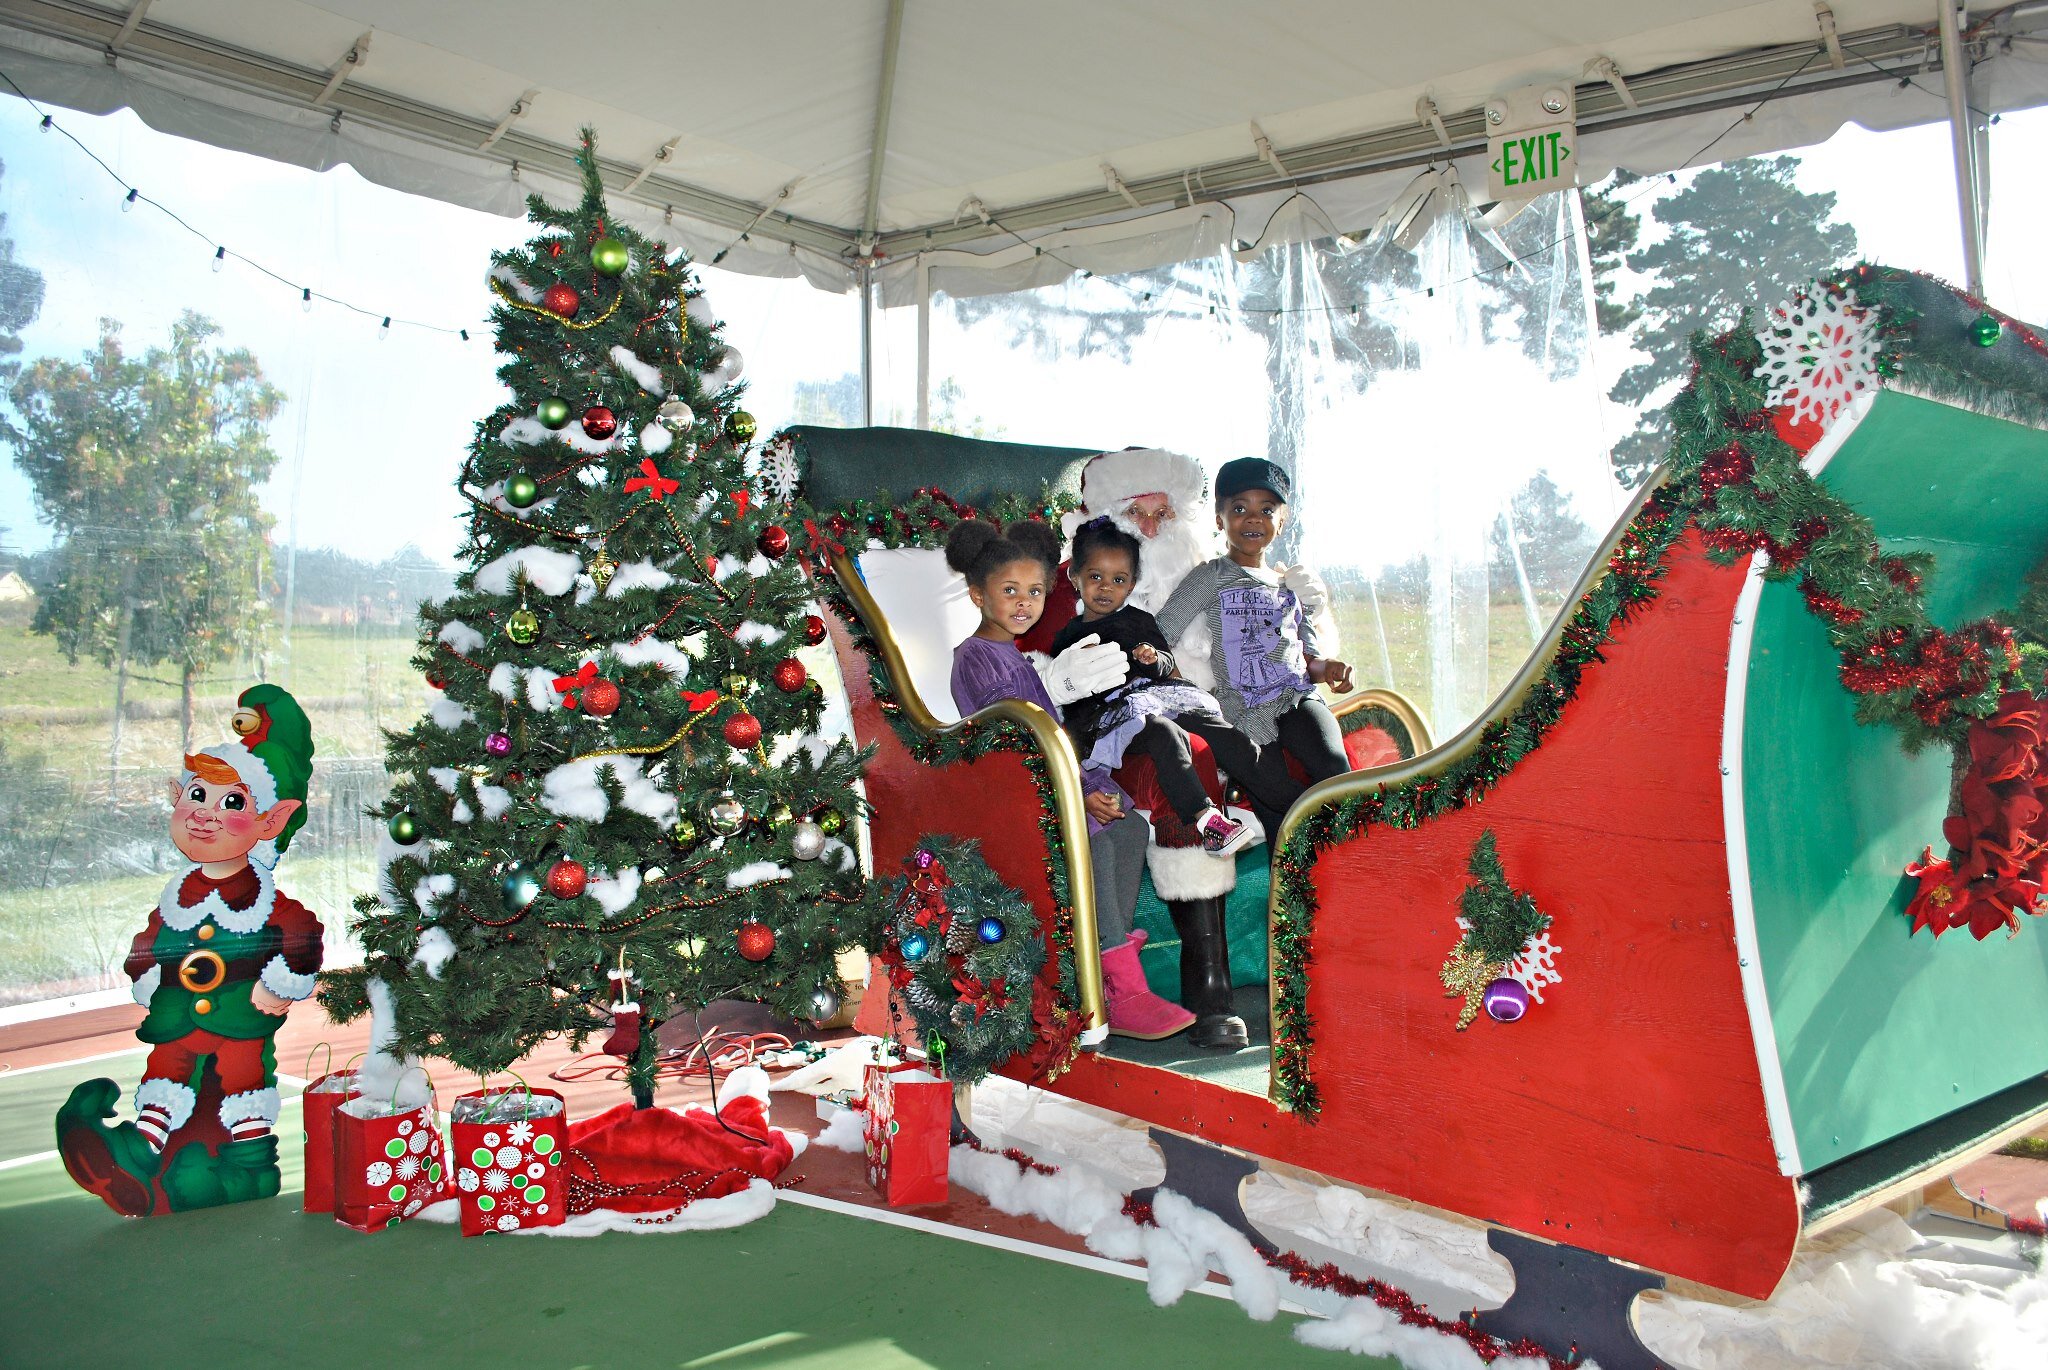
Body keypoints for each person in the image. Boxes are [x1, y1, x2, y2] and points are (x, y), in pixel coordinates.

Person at [56, 685, 324, 1215]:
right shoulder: (176, 898)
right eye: (195, 796)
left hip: (240, 1013)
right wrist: (147, 974)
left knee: (245, 1084)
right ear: (177, 799)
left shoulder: (265, 899)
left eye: (230, 804)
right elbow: (148, 942)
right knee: (165, 1071)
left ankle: (250, 1164)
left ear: (270, 821)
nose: (204, 814)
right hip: (178, 1012)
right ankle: (141, 1149)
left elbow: (302, 935)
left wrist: (281, 984)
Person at [945, 517, 1195, 1041]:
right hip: (1025, 789)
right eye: (1009, 590)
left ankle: (1104, 962)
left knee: (1128, 826)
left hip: (1058, 775)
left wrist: (1090, 783)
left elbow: (1052, 729)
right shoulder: (974, 659)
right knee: (1098, 838)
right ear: (976, 595)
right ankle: (1121, 988)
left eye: (1034, 591)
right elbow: (1022, 741)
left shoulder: (1015, 659)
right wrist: (1080, 792)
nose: (1024, 602)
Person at [1049, 516, 1305, 857]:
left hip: (1159, 695)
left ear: (1131, 584)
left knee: (1221, 732)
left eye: (1118, 579)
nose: (1106, 587)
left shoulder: (1138, 620)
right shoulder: (1067, 637)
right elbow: (1067, 696)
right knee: (1163, 733)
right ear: (1074, 577)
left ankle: (1296, 802)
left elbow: (1168, 665)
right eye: (1095, 577)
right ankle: (1208, 820)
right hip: (1115, 718)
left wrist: (1153, 658)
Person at [1155, 457, 1355, 841]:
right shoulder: (1211, 575)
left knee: (1334, 766)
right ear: (1220, 519)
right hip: (1243, 707)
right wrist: (1166, 673)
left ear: (1282, 520)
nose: (1252, 519)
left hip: (1297, 697)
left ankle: (1350, 859)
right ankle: (1291, 891)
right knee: (1275, 805)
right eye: (1239, 508)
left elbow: (1310, 659)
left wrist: (1329, 670)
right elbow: (1164, 629)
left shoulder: (1288, 587)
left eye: (1266, 510)